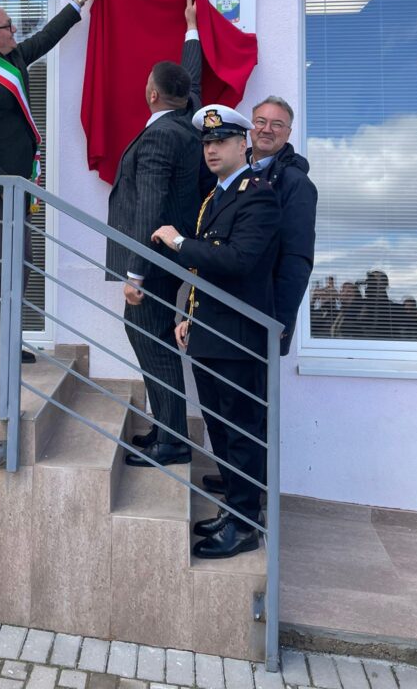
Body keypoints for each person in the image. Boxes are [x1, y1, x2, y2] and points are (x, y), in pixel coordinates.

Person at [0, 0, 102, 378]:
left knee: (20, 265)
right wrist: (2, 184)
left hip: (16, 190)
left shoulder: (12, 58)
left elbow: (45, 38)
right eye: (8, 26)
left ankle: (2, 337)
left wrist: (79, 1)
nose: (15, 31)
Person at [152, 105, 280, 558]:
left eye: (221, 141)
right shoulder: (216, 197)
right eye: (207, 142)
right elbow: (206, 273)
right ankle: (234, 509)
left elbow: (238, 261)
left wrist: (179, 242)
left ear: (243, 145)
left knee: (241, 433)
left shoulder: (258, 195)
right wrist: (190, 313)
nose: (211, 149)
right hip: (210, 331)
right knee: (220, 431)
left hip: (238, 337)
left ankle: (245, 525)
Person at [106, 0, 203, 467]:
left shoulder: (162, 135)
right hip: (170, 259)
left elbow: (149, 208)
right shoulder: (188, 118)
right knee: (153, 339)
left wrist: (136, 275)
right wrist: (191, 29)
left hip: (155, 262)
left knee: (153, 342)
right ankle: (166, 428)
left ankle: (172, 441)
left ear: (151, 95)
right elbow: (192, 79)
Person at [248, 96, 317, 353]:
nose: (266, 129)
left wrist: (279, 323)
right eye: (260, 121)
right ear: (250, 127)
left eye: (277, 124)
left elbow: (296, 259)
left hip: (260, 319)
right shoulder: (232, 171)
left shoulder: (296, 184)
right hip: (222, 317)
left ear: (288, 133)